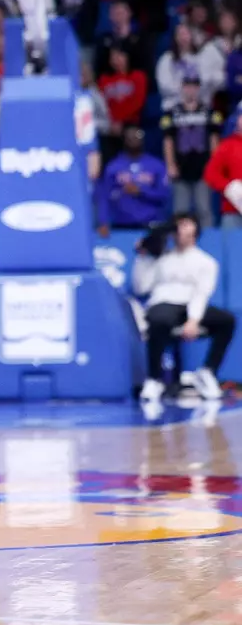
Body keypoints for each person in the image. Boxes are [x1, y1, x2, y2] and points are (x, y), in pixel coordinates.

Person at [136, 213, 233, 403]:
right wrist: (143, 257)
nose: (180, 228)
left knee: (227, 321)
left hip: (190, 306)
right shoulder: (162, 258)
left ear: (195, 230)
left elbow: (201, 293)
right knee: (157, 320)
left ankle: (207, 372)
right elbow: (141, 287)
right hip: (164, 303)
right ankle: (154, 379)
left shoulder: (206, 262)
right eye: (177, 225)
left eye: (186, 224)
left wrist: (193, 320)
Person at [162, 77, 223, 229]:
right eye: (188, 86)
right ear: (182, 88)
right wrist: (170, 165)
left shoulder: (210, 113)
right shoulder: (172, 113)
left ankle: (209, 245)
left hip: (203, 169)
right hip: (181, 169)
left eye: (194, 86)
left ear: (199, 88)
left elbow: (214, 140)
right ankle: (179, 243)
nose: (191, 90)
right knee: (179, 211)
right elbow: (168, 141)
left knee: (204, 210)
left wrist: (214, 166)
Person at [96, 126, 171, 233]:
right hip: (121, 224)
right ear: (124, 140)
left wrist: (142, 191)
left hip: (151, 223)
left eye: (137, 137)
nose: (133, 140)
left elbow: (164, 195)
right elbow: (104, 196)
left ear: (143, 140)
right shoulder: (113, 166)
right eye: (130, 137)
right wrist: (103, 221)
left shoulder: (156, 164)